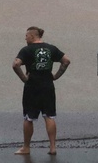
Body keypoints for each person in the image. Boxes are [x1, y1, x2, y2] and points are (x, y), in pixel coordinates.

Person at [12, 26, 70, 155]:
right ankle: (53, 147)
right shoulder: (51, 48)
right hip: (48, 85)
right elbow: (66, 61)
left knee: (29, 118)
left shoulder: (27, 50)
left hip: (32, 86)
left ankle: (26, 147)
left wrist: (24, 79)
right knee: (49, 116)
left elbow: (15, 64)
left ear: (32, 36)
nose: (25, 38)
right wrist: (56, 76)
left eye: (26, 36)